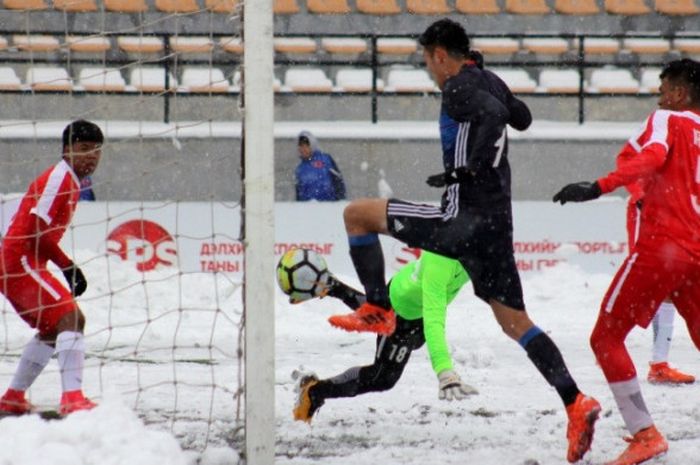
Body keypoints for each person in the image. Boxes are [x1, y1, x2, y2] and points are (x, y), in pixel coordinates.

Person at [327, 18, 601, 464]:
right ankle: (575, 401)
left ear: (440, 55)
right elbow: (521, 118)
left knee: (356, 216)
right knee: (516, 323)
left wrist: (466, 169)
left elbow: (494, 116)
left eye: (427, 62)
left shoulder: (456, 86)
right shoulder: (489, 78)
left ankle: (377, 307)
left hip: (460, 217)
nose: (429, 72)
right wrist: (498, 105)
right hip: (497, 225)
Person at [553, 58, 700, 465]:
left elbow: (651, 157)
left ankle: (645, 433)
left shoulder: (668, 120)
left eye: (663, 87)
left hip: (663, 248)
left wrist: (598, 186)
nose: (659, 94)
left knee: (605, 338)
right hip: (696, 248)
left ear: (678, 93)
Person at [293, 250, 478, 423]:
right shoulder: (441, 263)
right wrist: (444, 371)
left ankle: (335, 287)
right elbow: (434, 324)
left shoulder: (477, 250)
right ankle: (314, 392)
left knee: (410, 338)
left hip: (414, 299)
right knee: (382, 378)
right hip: (403, 310)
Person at [0, 119, 103, 416]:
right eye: (84, 149)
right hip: (19, 260)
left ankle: (12, 397)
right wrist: (68, 266)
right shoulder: (59, 179)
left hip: (22, 261)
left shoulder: (71, 180)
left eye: (97, 150)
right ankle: (73, 398)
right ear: (67, 150)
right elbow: (34, 232)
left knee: (52, 326)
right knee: (71, 318)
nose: (92, 156)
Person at [625, 171, 694, 385]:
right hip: (651, 210)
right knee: (647, 281)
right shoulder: (663, 137)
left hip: (679, 211)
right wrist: (641, 195)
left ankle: (657, 363)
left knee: (671, 283)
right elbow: (631, 163)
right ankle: (610, 342)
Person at [295, 130, 346, 201]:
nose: (303, 149)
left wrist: (340, 201)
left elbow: (338, 181)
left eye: (306, 146)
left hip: (328, 206)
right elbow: (298, 194)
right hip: (307, 209)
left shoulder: (326, 160)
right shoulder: (299, 169)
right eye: (301, 146)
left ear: (312, 145)